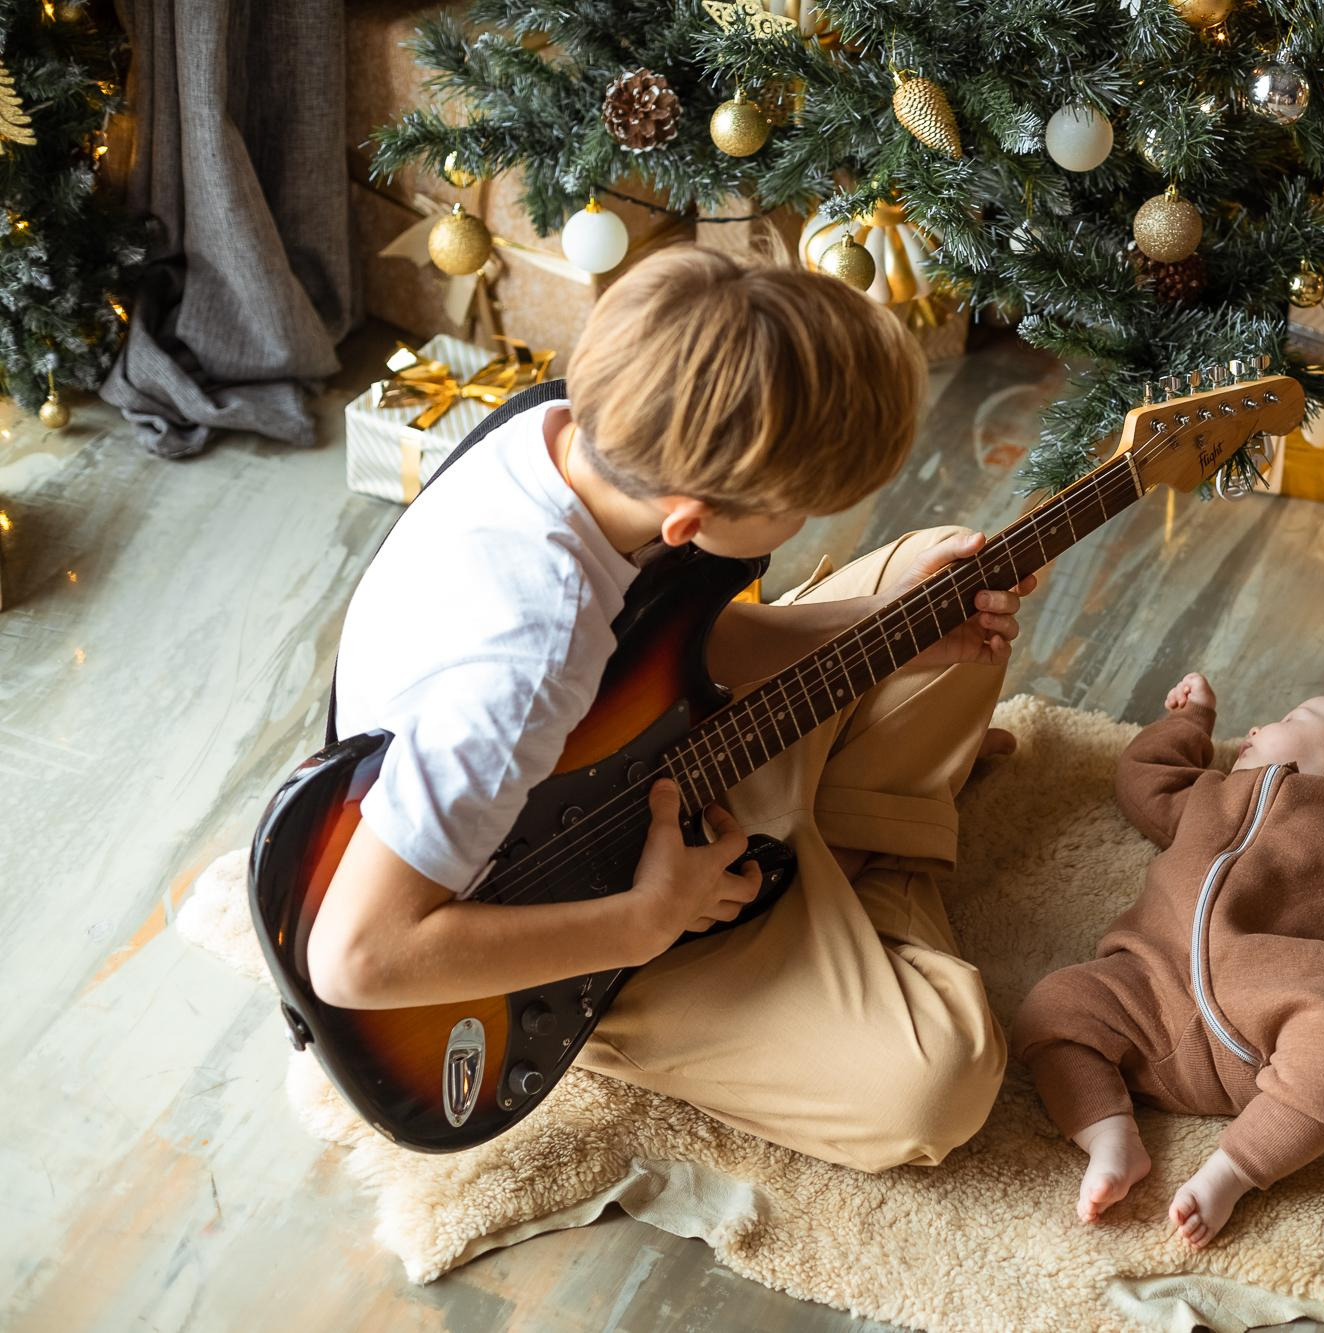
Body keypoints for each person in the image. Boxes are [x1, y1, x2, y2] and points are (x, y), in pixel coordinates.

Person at [306, 246, 1035, 1172]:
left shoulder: (569, 429)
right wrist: (650, 915)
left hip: (628, 761)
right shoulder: (525, 662)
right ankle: (838, 877)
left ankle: (826, 869)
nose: (802, 530)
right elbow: (358, 957)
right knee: (939, 1081)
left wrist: (880, 627)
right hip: (547, 921)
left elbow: (662, 648)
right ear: (688, 523)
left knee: (947, 583)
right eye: (796, 515)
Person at [1013, 671, 1324, 1246]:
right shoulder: (1211, 793)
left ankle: (1231, 1173)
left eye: (1290, 719)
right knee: (1053, 1006)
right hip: (1148, 985)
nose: (1256, 727)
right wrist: (1188, 722)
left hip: (1284, 1004)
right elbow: (1143, 779)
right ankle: (1109, 1135)